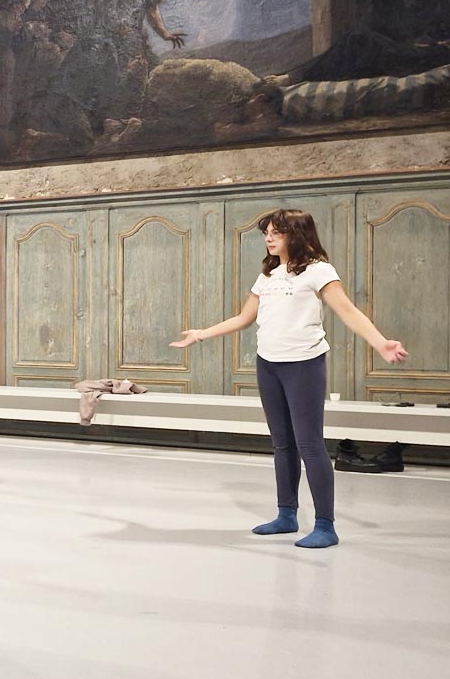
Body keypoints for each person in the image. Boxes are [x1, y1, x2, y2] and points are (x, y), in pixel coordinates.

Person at [171, 209, 407, 549]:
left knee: (310, 444)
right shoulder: (268, 275)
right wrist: (201, 334)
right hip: (268, 364)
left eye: (276, 232)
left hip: (304, 365)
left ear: (296, 234)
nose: (268, 238)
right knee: (282, 444)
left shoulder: (318, 271)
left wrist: (380, 343)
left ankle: (325, 525)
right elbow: (243, 318)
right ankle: (287, 514)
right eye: (266, 232)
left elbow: (348, 311)